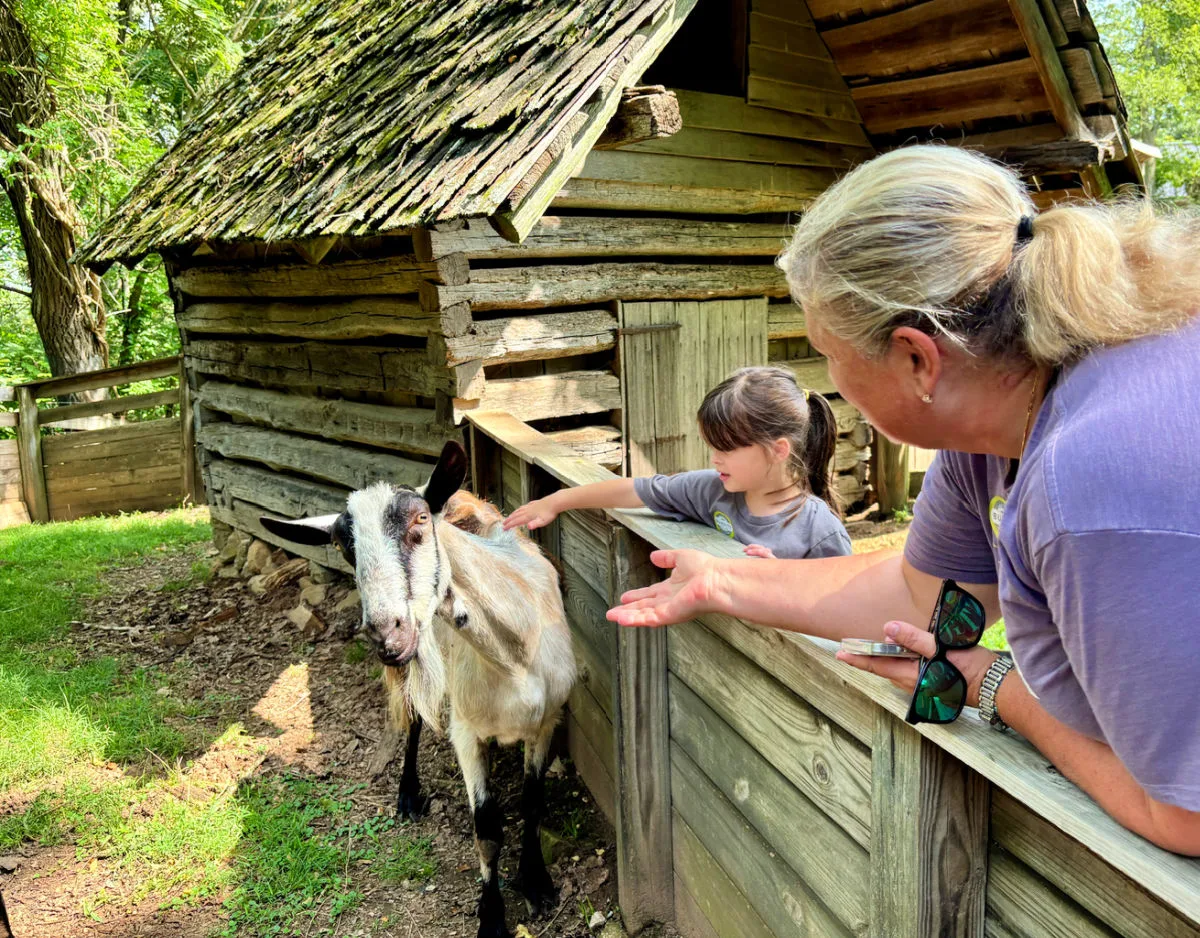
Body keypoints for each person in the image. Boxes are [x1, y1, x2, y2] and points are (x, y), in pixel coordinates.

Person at [606, 145, 1200, 855]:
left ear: (918, 359)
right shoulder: (996, 424)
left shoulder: (1092, 478)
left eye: (827, 353)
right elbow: (925, 592)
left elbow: (1185, 815)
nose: (827, 381)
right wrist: (726, 577)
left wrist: (996, 686)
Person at [504, 366, 851, 560]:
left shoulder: (820, 532)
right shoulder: (711, 490)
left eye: (727, 448)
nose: (714, 458)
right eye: (712, 446)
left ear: (778, 450)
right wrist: (558, 501)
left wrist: (783, 582)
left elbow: (843, 616)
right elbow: (637, 490)